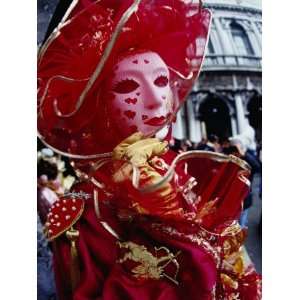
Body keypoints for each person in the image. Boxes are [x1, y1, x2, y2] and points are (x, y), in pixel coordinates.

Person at [37, 1, 261, 299]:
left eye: (161, 80)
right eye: (129, 86)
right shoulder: (88, 211)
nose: (156, 100)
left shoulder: (179, 166)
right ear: (99, 104)